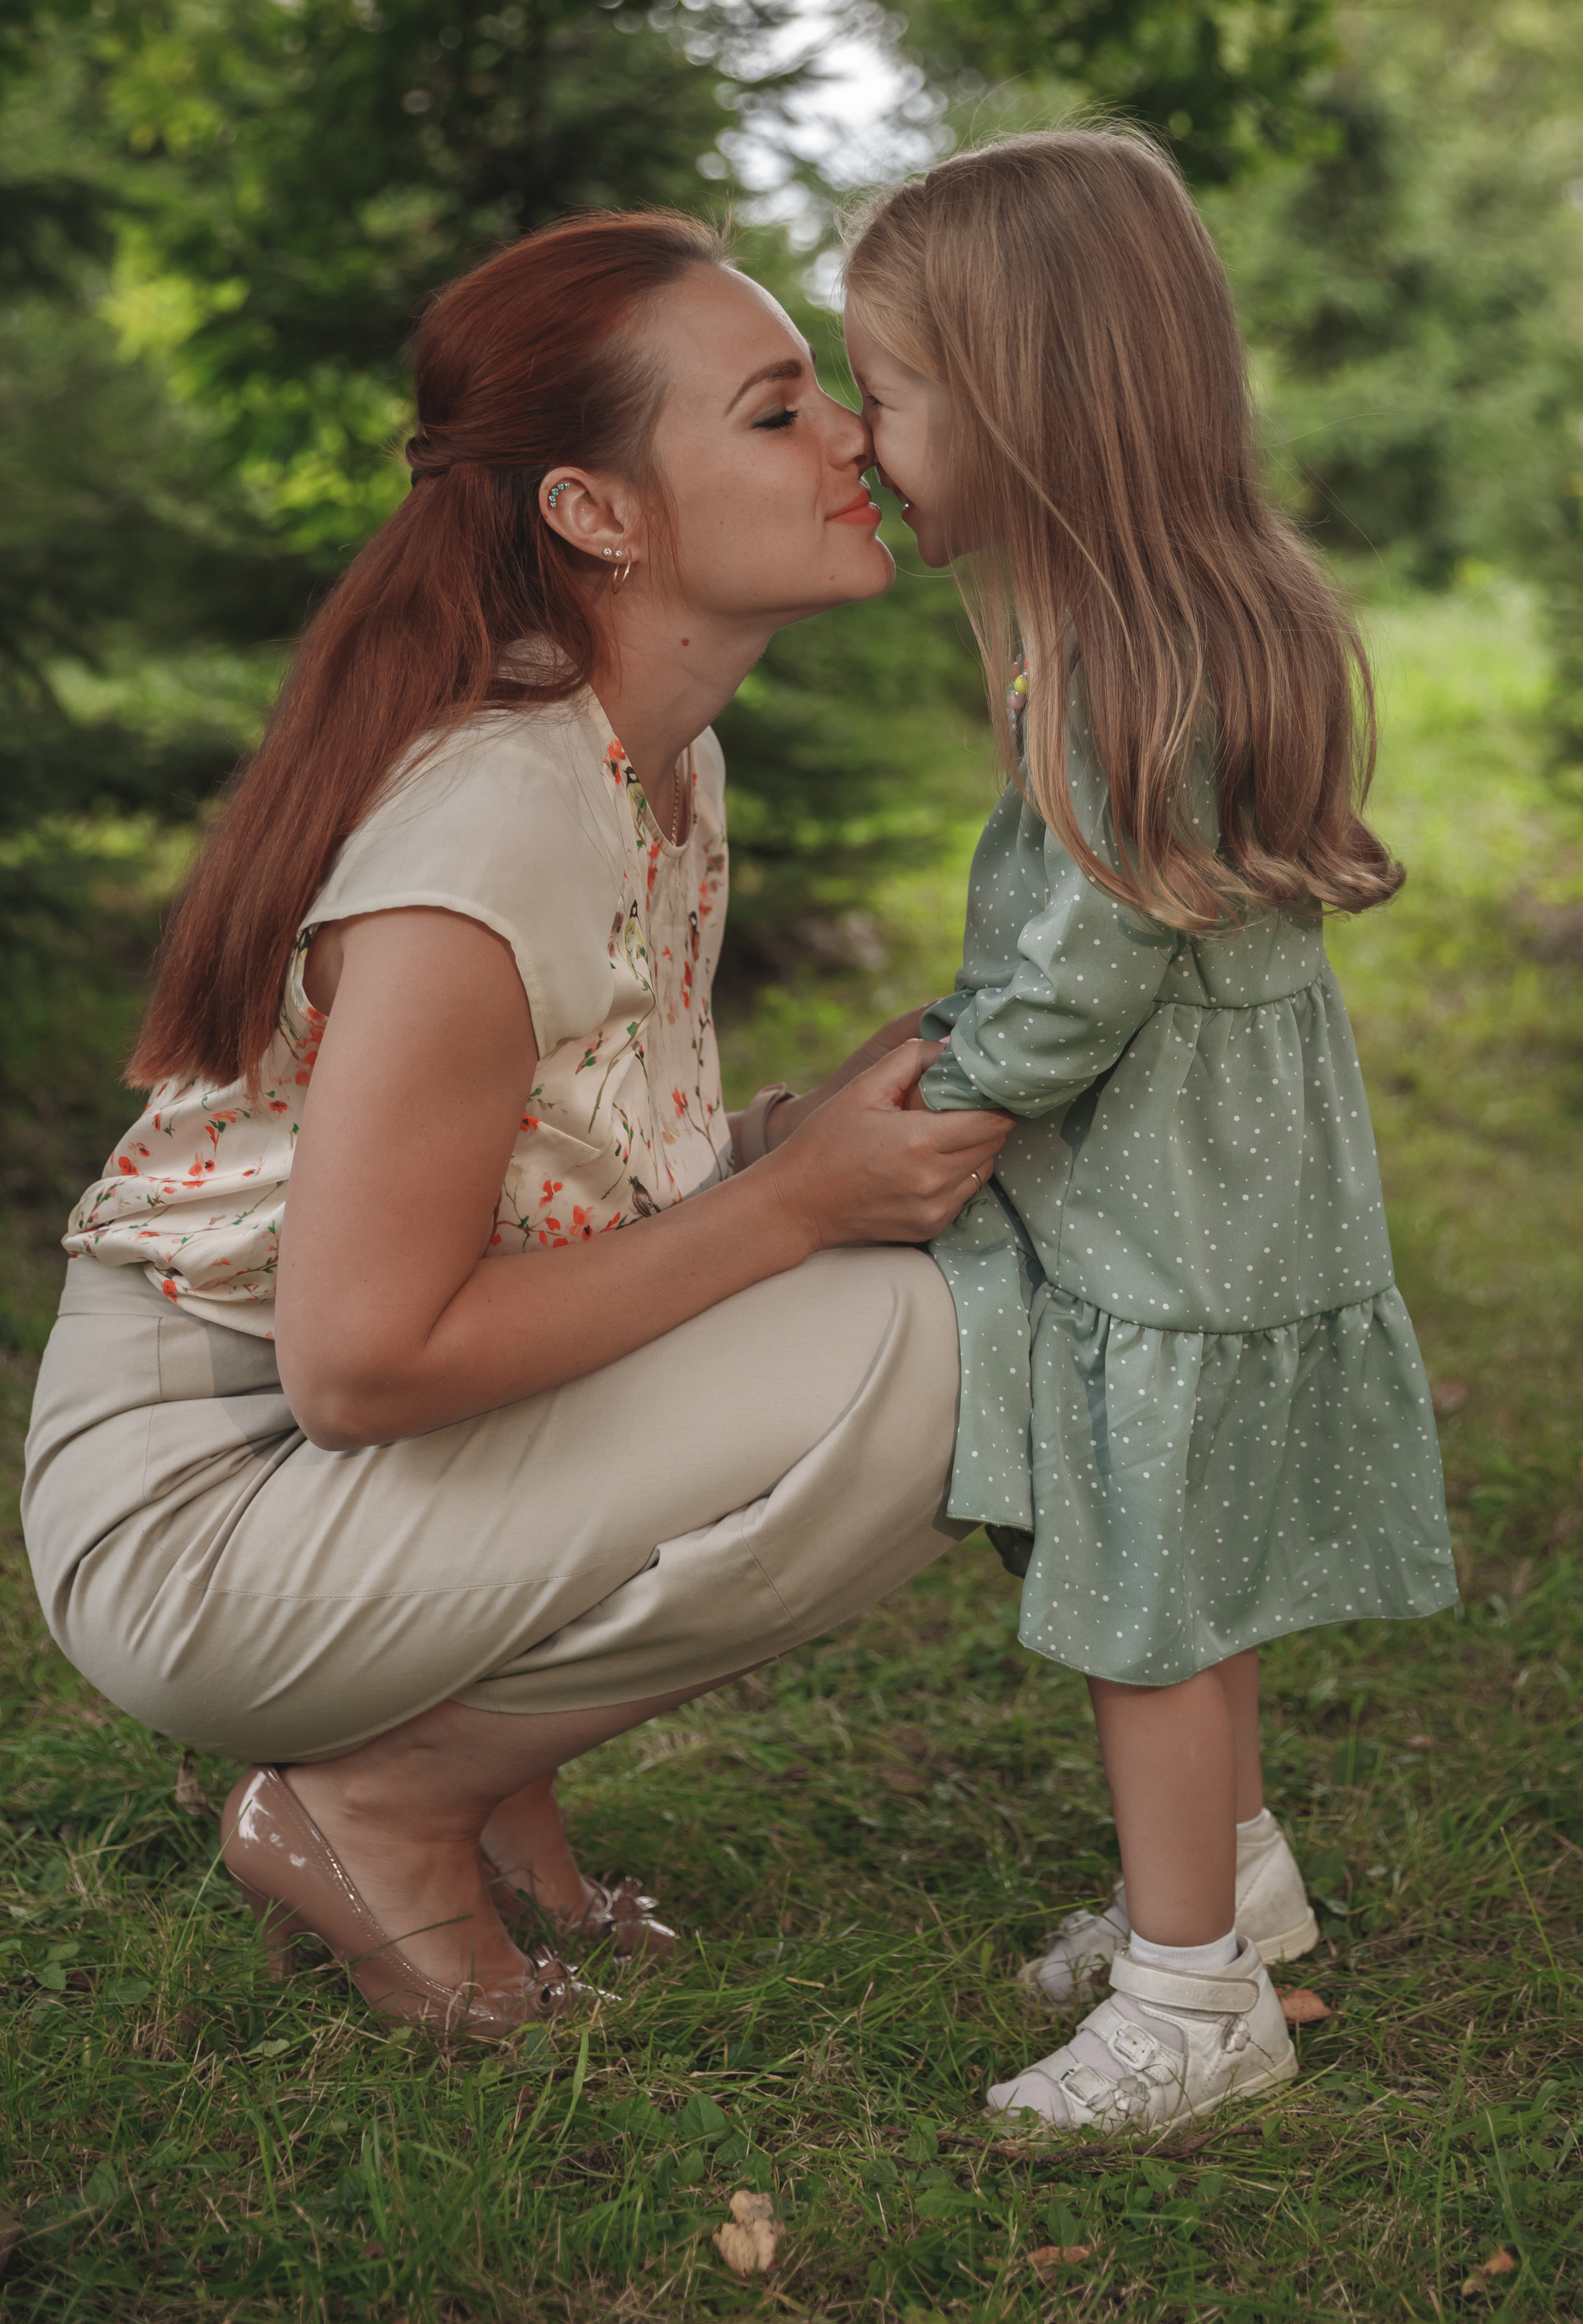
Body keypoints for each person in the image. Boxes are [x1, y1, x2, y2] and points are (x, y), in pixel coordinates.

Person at [23, 209, 1013, 2039]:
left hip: (317, 1474)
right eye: (779, 411)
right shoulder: (496, 821)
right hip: (208, 1507)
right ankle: (383, 1801)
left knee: (942, 1263)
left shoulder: (656, 755)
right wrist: (796, 1206)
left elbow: (562, 1184)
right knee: (929, 1347)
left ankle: (481, 1783)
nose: (856, 440)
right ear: (596, 511)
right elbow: (358, 1363)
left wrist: (810, 1132)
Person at [842, 128, 1458, 2133]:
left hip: (1175, 1223)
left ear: (1022, 406)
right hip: (1235, 1197)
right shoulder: (1193, 608)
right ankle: (1233, 1873)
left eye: (890, 394)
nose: (867, 440)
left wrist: (946, 1085)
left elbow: (1085, 977)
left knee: (1151, 1605)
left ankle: (1196, 2000)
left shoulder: (1114, 661)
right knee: (1183, 1579)